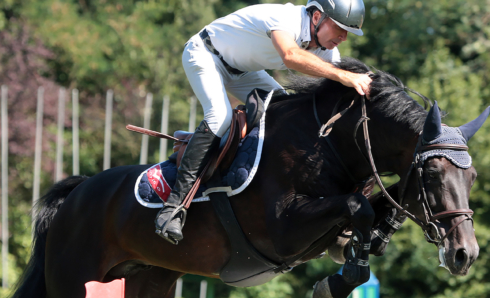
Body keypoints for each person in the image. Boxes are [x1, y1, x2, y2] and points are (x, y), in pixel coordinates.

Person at [155, 0, 373, 244]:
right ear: (316, 18)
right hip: (206, 54)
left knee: (288, 110)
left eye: (348, 32)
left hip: (243, 72)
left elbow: (334, 92)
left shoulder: (326, 50)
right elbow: (290, 56)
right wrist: (344, 75)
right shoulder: (285, 18)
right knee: (221, 117)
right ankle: (173, 208)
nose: (343, 36)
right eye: (339, 28)